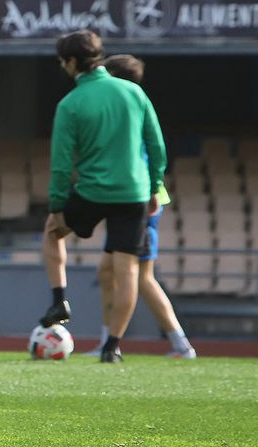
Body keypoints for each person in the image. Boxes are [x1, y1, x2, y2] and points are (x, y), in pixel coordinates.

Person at [39, 29, 167, 364]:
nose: (62, 66)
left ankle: (59, 300)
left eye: (62, 61)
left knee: (52, 232)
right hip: (133, 193)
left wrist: (58, 205)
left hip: (93, 191)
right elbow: (156, 146)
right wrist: (154, 186)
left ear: (71, 61)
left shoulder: (70, 103)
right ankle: (112, 347)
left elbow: (61, 164)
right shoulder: (134, 92)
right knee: (127, 272)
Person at [93, 54, 196, 359]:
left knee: (142, 277)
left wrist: (150, 190)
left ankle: (181, 345)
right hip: (133, 199)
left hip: (142, 202)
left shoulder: (132, 113)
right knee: (106, 271)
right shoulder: (128, 110)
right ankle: (106, 341)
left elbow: (150, 155)